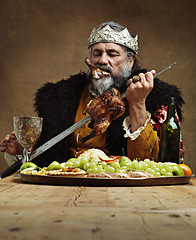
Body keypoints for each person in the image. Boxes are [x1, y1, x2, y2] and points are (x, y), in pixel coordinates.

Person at [0, 21, 185, 168]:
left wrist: (137, 104)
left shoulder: (157, 98)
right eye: (97, 53)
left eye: (112, 54)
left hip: (122, 192)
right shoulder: (58, 98)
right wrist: (24, 150)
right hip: (65, 186)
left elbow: (150, 166)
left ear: (130, 61)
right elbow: (48, 160)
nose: (103, 60)